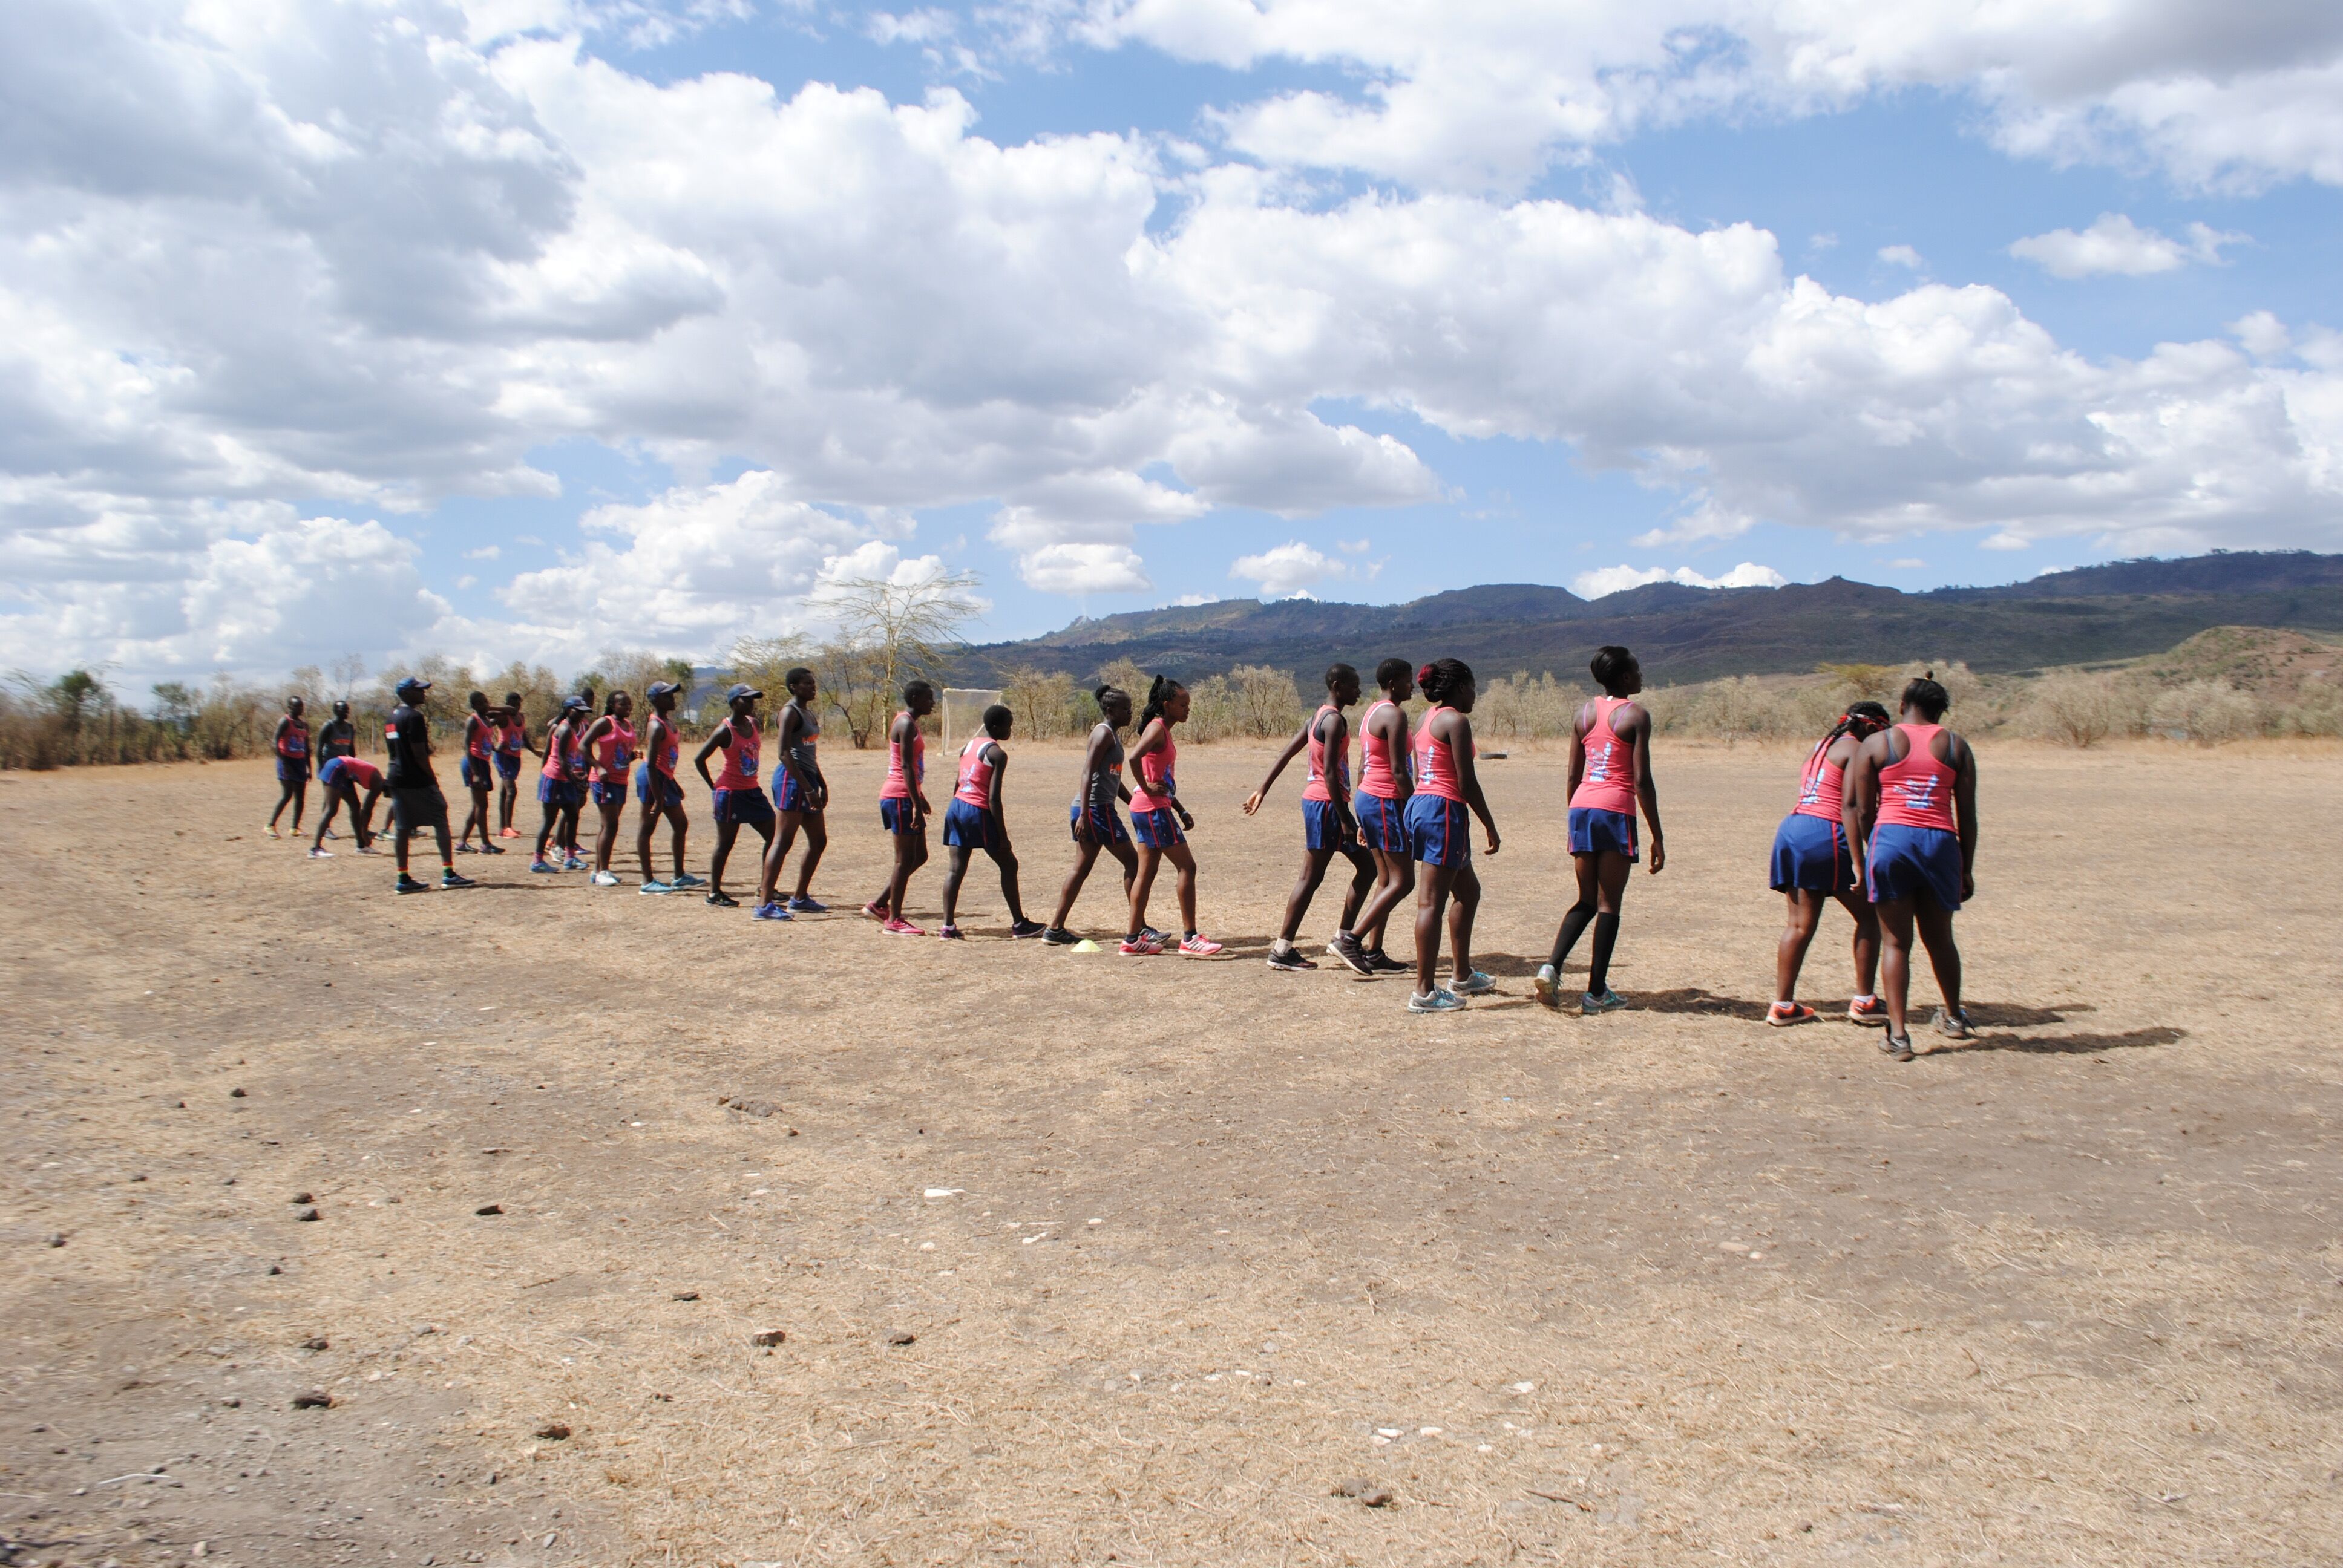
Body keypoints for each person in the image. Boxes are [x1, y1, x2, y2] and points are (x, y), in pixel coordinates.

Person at [1844, 674, 1978, 1061]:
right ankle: (1954, 1017)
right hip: (1940, 844)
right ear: (1941, 712)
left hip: (1892, 841)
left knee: (1896, 942)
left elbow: (1862, 808)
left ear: (1903, 706)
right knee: (1940, 939)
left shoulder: (1877, 742)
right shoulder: (1956, 746)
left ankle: (1899, 1036)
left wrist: (1875, 848)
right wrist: (1966, 868)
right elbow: (1966, 816)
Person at [1536, 645, 1666, 1016]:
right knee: (1609, 903)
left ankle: (1551, 967)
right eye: (1638, 670)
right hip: (1614, 810)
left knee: (1586, 900)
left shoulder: (1585, 713)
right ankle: (1595, 992)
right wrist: (1656, 834)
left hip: (1582, 807)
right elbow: (1642, 780)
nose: (1642, 676)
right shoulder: (1636, 715)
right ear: (1625, 678)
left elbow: (1573, 774)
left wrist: (1574, 815)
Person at [1766, 701, 1893, 1026]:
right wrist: (1861, 860)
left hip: (1794, 829)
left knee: (1798, 924)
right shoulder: (1855, 750)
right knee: (1871, 915)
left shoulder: (1823, 745)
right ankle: (1865, 1002)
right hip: (1826, 832)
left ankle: (1782, 1005)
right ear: (1868, 727)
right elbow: (1851, 807)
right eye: (1881, 732)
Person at [1243, 664, 1374, 972]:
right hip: (1329, 806)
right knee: (1354, 870)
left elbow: (1286, 754)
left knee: (1332, 874)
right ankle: (1330, 942)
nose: (1358, 690)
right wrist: (1345, 819)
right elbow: (1329, 772)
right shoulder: (1335, 721)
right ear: (1338, 685)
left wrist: (1263, 788)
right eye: (1354, 685)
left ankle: (1300, 945)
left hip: (1317, 803)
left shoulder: (1316, 716)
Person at [1403, 659, 1500, 1013]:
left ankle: (1461, 975)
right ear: (1460, 687)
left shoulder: (1425, 719)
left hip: (1423, 804)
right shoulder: (1456, 721)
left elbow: (1420, 770)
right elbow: (1466, 782)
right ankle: (1424, 993)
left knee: (1469, 892)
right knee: (1431, 902)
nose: (1476, 694)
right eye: (1474, 686)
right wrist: (1489, 824)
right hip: (1444, 811)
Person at [1125, 677, 1222, 956]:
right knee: (1187, 868)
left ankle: (1132, 939)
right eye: (1182, 705)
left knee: (1146, 872)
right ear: (1167, 705)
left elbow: (1161, 778)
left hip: (1151, 807)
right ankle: (1190, 938)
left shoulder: (1162, 730)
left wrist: (1180, 809)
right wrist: (1146, 788)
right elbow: (1134, 759)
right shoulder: (1157, 729)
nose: (1187, 710)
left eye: (1188, 705)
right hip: (1152, 809)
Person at [936, 704, 1047, 940]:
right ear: (995, 727)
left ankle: (947, 927)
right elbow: (993, 798)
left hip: (957, 806)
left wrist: (957, 808)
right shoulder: (997, 753)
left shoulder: (968, 746)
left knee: (956, 869)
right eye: (1008, 726)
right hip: (978, 811)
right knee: (1009, 864)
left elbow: (958, 783)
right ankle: (1019, 924)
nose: (1010, 730)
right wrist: (1003, 837)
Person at [1043, 685, 1142, 949]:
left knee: (1081, 869)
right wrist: (1085, 815)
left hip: (1093, 809)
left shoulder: (1113, 735)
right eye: (1125, 708)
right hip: (1096, 810)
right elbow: (1087, 772)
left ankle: (1055, 929)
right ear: (1110, 710)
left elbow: (1112, 777)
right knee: (1134, 863)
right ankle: (1139, 928)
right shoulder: (1103, 733)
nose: (1130, 713)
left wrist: (1133, 803)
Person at [1345, 659, 1418, 975]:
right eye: (1407, 680)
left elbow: (1363, 765)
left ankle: (1374, 952)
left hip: (1368, 798)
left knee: (1386, 879)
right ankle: (1351, 941)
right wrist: (1415, 806)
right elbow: (1399, 769)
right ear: (1393, 682)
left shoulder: (1371, 712)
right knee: (1404, 881)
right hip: (1386, 799)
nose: (1412, 685)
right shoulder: (1394, 714)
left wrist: (1364, 814)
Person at [382, 676, 473, 894]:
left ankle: (403, 878)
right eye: (418, 690)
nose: (423, 693)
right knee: (440, 816)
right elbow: (419, 755)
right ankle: (449, 873)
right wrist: (433, 779)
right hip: (416, 779)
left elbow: (396, 749)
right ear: (405, 693)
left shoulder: (391, 717)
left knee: (402, 828)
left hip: (396, 776)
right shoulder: (414, 717)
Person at [861, 681, 937, 935]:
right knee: (904, 860)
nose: (933, 703)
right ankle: (893, 920)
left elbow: (912, 768)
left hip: (907, 795)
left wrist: (920, 796)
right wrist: (915, 803)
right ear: (914, 698)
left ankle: (879, 904)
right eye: (929, 698)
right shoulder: (904, 723)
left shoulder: (910, 723)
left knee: (919, 856)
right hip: (899, 797)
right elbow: (904, 766)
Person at [755, 667, 830, 916]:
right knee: (783, 841)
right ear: (794, 687)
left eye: (813, 682)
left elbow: (809, 752)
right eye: (807, 683)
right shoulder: (789, 713)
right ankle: (764, 903)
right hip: (791, 780)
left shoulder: (809, 714)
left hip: (807, 780)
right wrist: (807, 788)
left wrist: (821, 783)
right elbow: (784, 753)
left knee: (818, 841)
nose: (813, 687)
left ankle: (799, 898)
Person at [693, 683, 774, 908]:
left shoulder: (754, 724)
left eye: (752, 699)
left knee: (773, 836)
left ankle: (765, 887)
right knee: (726, 843)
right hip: (730, 794)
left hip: (752, 791)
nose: (751, 703)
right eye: (746, 699)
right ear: (733, 703)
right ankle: (714, 893)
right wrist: (714, 787)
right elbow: (699, 759)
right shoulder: (724, 731)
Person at [634, 681, 699, 893]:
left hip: (664, 778)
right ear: (655, 700)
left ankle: (679, 876)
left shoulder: (667, 721)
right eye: (668, 695)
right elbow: (652, 764)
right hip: (652, 778)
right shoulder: (656, 725)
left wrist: (673, 783)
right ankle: (647, 882)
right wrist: (659, 798)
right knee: (647, 828)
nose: (673, 698)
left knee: (681, 824)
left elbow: (665, 759)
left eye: (673, 694)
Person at [577, 690, 637, 887]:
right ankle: (603, 871)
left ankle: (598, 870)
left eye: (629, 704)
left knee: (607, 826)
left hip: (620, 779)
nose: (627, 707)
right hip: (604, 781)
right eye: (623, 704)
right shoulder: (605, 723)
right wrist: (597, 766)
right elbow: (583, 745)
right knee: (611, 826)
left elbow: (621, 752)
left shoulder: (627, 725)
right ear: (612, 705)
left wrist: (631, 756)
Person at [530, 697, 588, 874]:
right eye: (578, 710)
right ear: (569, 710)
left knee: (573, 816)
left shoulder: (575, 728)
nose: (582, 713)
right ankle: (537, 861)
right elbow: (561, 760)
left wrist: (576, 776)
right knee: (549, 821)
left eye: (583, 710)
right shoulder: (564, 729)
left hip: (565, 779)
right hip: (555, 779)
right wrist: (576, 781)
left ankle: (570, 857)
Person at [456, 691, 506, 855]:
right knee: (482, 805)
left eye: (486, 702)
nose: (486, 705)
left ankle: (462, 842)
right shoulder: (473, 720)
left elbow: (507, 712)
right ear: (474, 705)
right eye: (481, 703)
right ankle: (485, 844)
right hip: (474, 764)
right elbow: (466, 746)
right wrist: (475, 773)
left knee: (478, 806)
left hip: (483, 763)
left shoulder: (486, 720)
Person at [309, 754, 385, 857]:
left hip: (344, 771)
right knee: (331, 809)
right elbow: (367, 810)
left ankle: (361, 846)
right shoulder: (379, 783)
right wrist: (364, 833)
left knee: (355, 805)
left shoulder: (378, 778)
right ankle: (315, 849)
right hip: (337, 767)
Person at [312, 699, 358, 840]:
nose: (346, 712)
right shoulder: (329, 726)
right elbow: (319, 748)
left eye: (347, 709)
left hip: (344, 766)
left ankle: (361, 829)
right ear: (335, 711)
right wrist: (321, 767)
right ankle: (326, 829)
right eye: (343, 709)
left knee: (354, 802)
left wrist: (354, 765)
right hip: (329, 766)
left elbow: (351, 749)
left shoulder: (350, 727)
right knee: (330, 801)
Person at [266, 696, 312, 838]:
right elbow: (274, 743)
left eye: (301, 706)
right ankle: (270, 826)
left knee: (300, 797)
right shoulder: (284, 722)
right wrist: (284, 764)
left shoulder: (304, 725)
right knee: (287, 795)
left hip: (300, 763)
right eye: (297, 706)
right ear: (289, 707)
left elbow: (307, 747)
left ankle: (295, 828)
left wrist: (309, 767)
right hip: (286, 761)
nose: (300, 709)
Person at [494, 691, 532, 839]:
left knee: (504, 793)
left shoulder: (521, 717)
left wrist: (535, 751)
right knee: (511, 791)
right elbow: (485, 723)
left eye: (518, 704)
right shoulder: (503, 717)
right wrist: (494, 746)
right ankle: (507, 828)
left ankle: (502, 827)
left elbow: (524, 736)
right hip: (503, 757)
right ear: (507, 705)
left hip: (515, 758)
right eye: (513, 705)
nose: (517, 707)